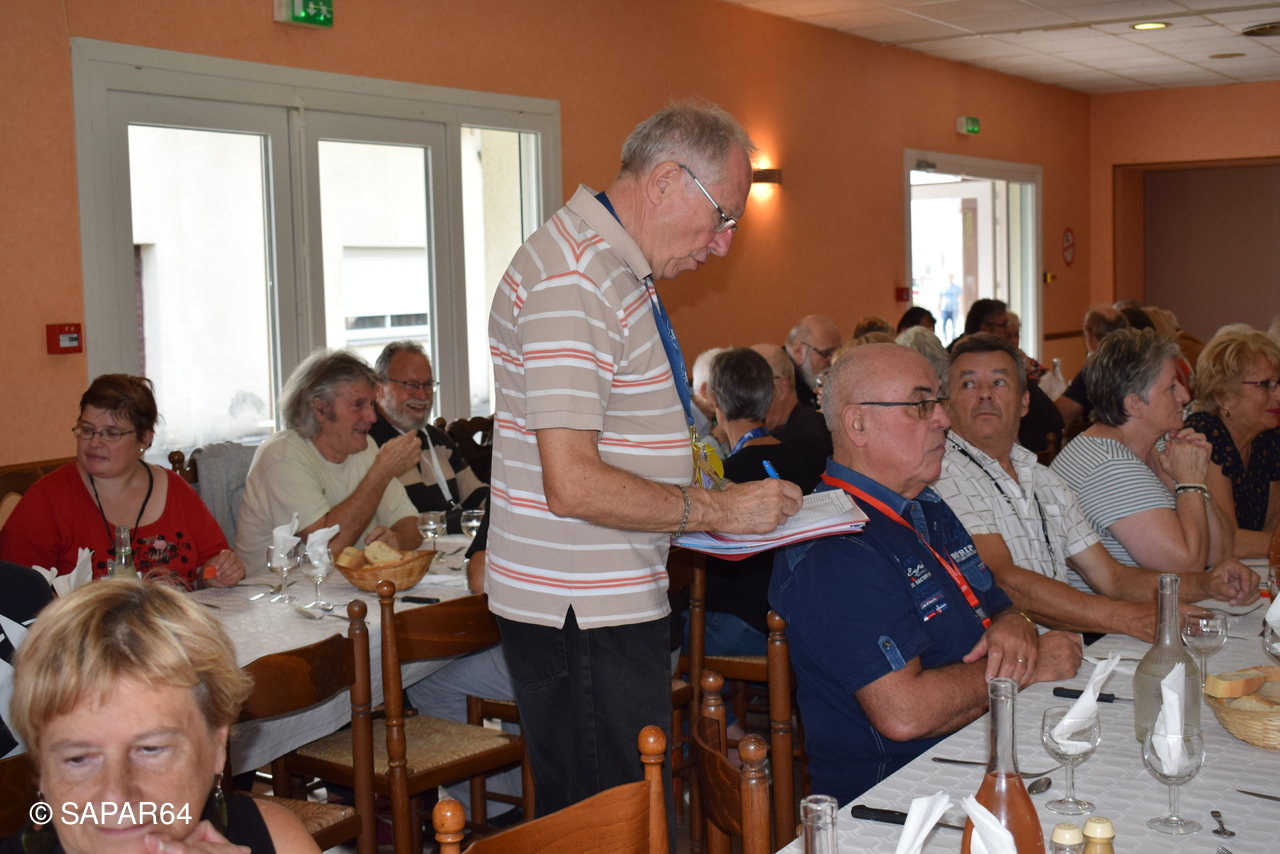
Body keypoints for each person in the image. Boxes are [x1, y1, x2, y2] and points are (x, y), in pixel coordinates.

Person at [486, 100, 802, 818]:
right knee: (609, 822)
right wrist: (720, 509)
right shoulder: (575, 278)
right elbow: (572, 483)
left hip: (600, 594)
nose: (722, 244)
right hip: (581, 606)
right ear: (664, 181)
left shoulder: (608, 268)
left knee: (622, 815)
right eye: (722, 217)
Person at [769, 343, 1081, 805]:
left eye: (937, 401)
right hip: (900, 798)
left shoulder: (923, 504)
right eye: (920, 405)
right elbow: (905, 713)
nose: (943, 419)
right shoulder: (836, 544)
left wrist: (1017, 625)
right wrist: (1021, 668)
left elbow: (998, 605)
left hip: (980, 751)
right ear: (858, 424)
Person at [933, 334, 1258, 643]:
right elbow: (1003, 580)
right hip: (998, 658)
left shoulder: (1042, 479)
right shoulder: (942, 474)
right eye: (968, 384)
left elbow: (1113, 578)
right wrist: (1129, 617)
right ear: (946, 405)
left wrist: (1205, 583)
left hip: (1062, 647)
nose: (985, 394)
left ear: (1024, 402)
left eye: (999, 382)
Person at [5, 578, 317, 854]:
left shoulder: (276, 838)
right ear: (42, 768)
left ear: (217, 746)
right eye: (77, 759)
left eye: (151, 750)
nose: (115, 796)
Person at [0, 375, 245, 589]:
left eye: (111, 433)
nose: (94, 443)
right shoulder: (47, 499)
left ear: (145, 438)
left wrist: (218, 574)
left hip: (171, 624)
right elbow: (15, 591)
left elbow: (207, 570)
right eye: (87, 430)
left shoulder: (176, 490)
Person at [1051, 328, 1234, 571]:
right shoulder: (1108, 467)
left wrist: (1194, 480)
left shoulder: (1155, 447)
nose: (1184, 396)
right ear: (1134, 404)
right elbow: (1186, 568)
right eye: (1171, 387)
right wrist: (1190, 482)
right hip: (1117, 598)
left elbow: (1221, 553)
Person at [235, 350, 422, 571]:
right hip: (276, 589)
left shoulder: (364, 448)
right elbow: (326, 549)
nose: (372, 417)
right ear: (321, 409)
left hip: (339, 587)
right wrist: (381, 473)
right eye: (358, 405)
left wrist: (398, 539)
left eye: (372, 404)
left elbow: (412, 523)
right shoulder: (281, 455)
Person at [690, 348, 821, 658]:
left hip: (745, 620)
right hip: (794, 619)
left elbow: (712, 572)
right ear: (769, 395)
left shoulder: (728, 480)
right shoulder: (796, 458)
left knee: (666, 635)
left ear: (715, 400)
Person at [369, 341, 488, 533]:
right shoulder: (368, 444)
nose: (422, 395)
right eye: (411, 385)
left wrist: (508, 507)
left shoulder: (438, 439)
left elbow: (476, 495)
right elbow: (417, 519)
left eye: (427, 385)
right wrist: (472, 518)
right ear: (379, 389)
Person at [1184, 327, 1280, 557]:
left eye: (1278, 384)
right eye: (1265, 384)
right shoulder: (1205, 435)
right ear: (1223, 396)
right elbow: (1226, 542)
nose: (1278, 395)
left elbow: (1272, 529)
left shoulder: (1268, 437)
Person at [959, 298, 1063, 454]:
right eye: (1004, 325)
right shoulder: (964, 356)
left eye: (998, 382)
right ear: (985, 329)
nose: (1007, 331)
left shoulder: (1012, 361)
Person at [751, 343, 831, 481]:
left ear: (782, 388)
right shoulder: (819, 420)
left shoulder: (779, 445)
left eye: (753, 386)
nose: (744, 396)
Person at [1055, 305, 1129, 426]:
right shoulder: (1137, 362)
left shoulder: (1098, 367)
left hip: (1107, 434)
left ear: (1089, 333)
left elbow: (1061, 414)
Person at [784, 314, 842, 409]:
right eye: (826, 353)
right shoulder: (778, 383)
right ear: (799, 351)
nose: (833, 361)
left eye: (837, 353)